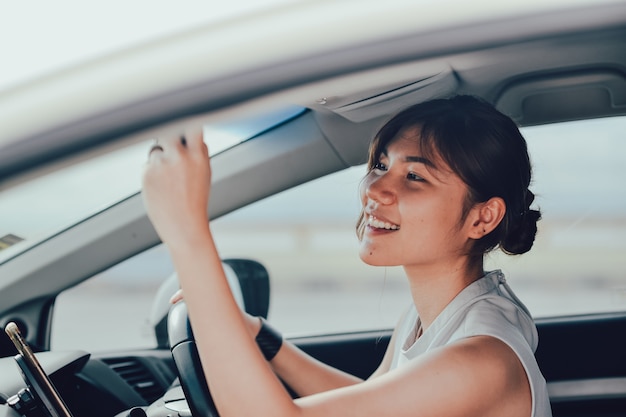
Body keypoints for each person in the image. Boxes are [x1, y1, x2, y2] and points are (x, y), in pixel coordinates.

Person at [142, 95, 552, 417]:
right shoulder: (434, 315)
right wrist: (260, 339)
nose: (374, 190)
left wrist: (187, 234)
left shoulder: (482, 361)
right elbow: (363, 402)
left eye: (414, 176)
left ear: (483, 218)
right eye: (380, 164)